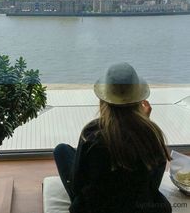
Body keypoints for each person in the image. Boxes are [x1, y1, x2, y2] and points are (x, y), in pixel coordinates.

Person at [54, 62, 172, 213]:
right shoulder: (151, 133)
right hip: (139, 206)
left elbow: (78, 184)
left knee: (62, 150)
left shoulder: (92, 134)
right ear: (138, 100)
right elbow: (154, 177)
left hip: (96, 207)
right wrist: (145, 124)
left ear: (103, 100)